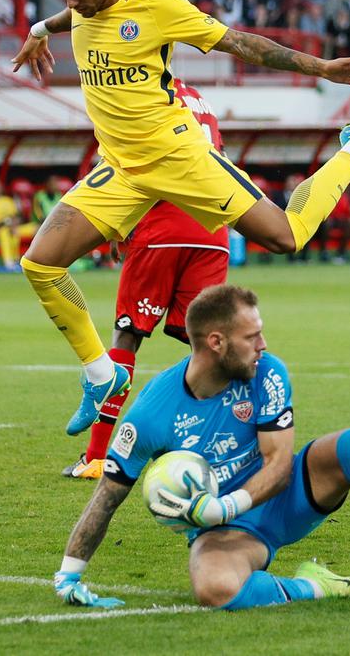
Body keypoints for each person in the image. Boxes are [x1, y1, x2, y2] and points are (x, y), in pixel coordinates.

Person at [9, 0, 350, 436]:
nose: (70, 3)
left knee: (286, 235)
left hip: (180, 157)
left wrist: (320, 67)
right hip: (121, 170)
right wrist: (39, 29)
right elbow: (65, 15)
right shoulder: (81, 7)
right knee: (40, 263)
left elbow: (239, 42)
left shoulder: (155, 4)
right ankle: (102, 375)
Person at [53, 284, 350, 611]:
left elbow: (278, 464)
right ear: (216, 342)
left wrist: (223, 505)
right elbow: (107, 498)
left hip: (283, 495)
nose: (263, 346)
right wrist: (69, 576)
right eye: (252, 337)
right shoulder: (151, 414)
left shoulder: (266, 372)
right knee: (214, 591)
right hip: (229, 533)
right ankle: (321, 585)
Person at [63, 79, 230, 478]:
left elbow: (121, 163)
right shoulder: (203, 102)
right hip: (213, 232)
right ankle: (220, 450)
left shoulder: (139, 92)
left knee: (127, 338)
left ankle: (98, 457)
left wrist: (118, 227)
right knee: (208, 345)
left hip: (160, 229)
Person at [0, 178, 34, 273]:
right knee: (3, 232)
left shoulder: (8, 200)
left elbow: (16, 216)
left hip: (9, 226)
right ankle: (8, 263)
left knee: (19, 229)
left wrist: (13, 222)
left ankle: (17, 261)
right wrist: (6, 222)